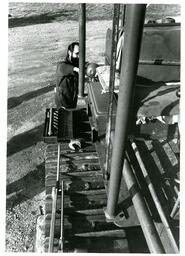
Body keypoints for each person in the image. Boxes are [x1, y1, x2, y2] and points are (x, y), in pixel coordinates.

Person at [55, 42, 79, 109]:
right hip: (63, 102)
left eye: (80, 54)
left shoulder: (76, 62)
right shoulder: (63, 65)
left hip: (72, 98)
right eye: (76, 53)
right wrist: (75, 69)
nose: (78, 56)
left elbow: (85, 65)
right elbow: (62, 67)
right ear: (69, 53)